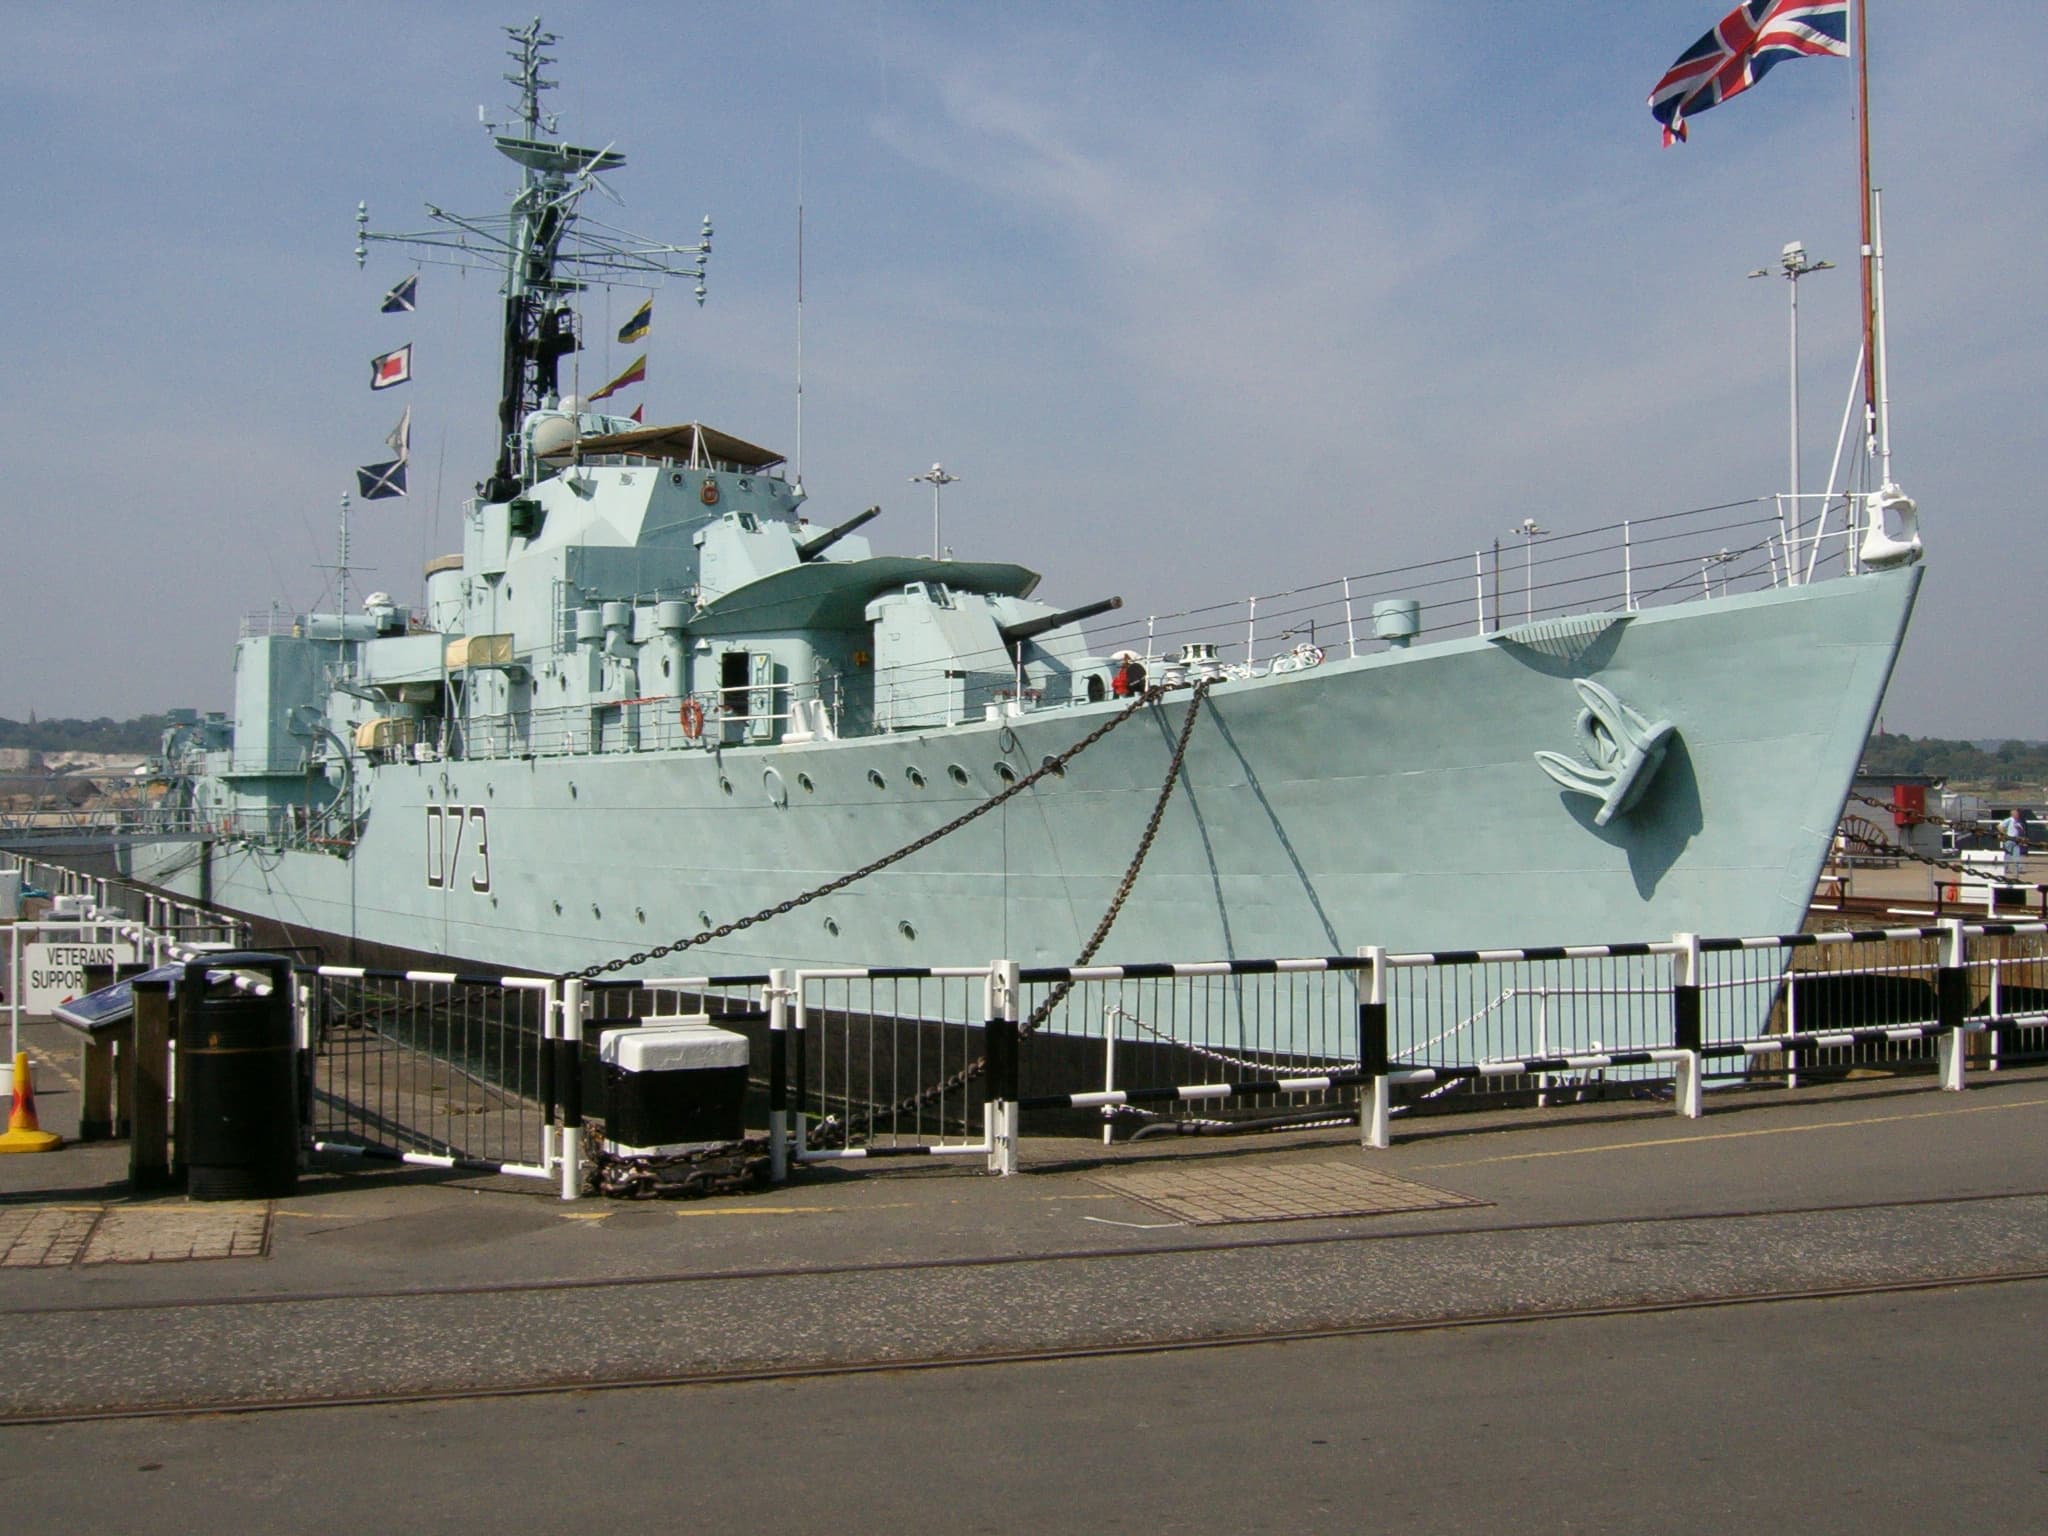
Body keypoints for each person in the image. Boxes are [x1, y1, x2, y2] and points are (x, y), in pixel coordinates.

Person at [2001, 808, 2029, 878]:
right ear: (2012, 814)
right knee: (2008, 855)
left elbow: (2021, 830)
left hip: (2016, 841)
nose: (2017, 815)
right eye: (2016, 814)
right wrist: (2005, 834)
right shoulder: (2009, 820)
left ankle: (2016, 872)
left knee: (2014, 855)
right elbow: (1999, 826)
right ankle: (2006, 869)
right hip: (2009, 840)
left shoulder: (2018, 821)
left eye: (2017, 814)